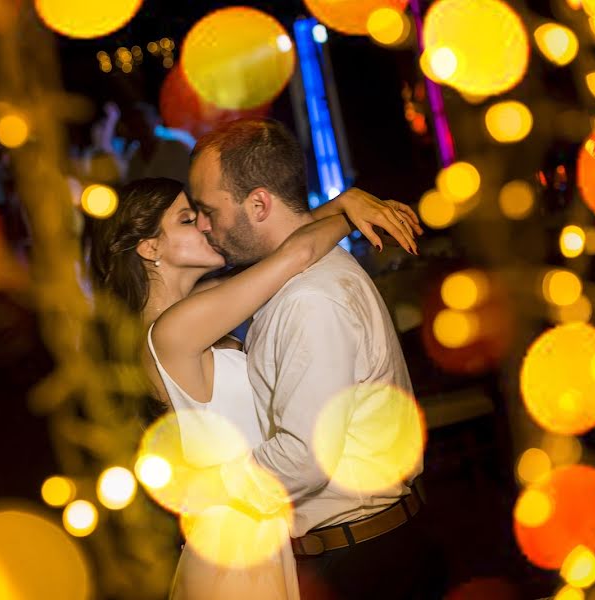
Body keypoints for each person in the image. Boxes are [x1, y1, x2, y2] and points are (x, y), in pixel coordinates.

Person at [89, 175, 421, 599]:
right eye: (189, 220)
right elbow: (297, 253)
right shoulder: (172, 331)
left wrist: (343, 207)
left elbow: (285, 249)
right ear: (150, 248)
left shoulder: (196, 307)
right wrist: (351, 211)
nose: (207, 227)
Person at [188, 118, 443, 599]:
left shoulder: (312, 298)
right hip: (352, 553)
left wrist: (204, 489)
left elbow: (306, 458)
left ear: (259, 203)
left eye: (207, 210)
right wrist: (344, 208)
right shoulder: (288, 280)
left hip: (362, 562)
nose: (203, 225)